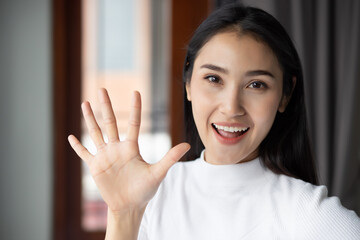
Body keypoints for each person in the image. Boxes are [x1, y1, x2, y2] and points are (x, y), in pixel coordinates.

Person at [68, 3, 360, 240]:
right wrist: (124, 214)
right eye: (213, 79)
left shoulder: (308, 214)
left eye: (256, 85)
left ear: (285, 95)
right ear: (188, 85)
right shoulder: (153, 194)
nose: (231, 108)